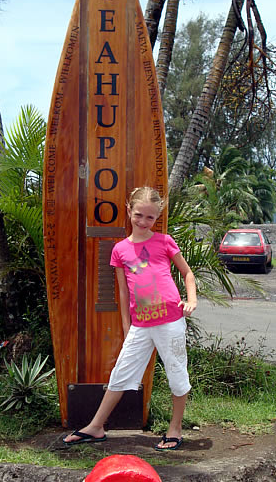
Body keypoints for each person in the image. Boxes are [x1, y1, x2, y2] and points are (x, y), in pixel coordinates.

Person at [63, 186, 197, 451]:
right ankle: (96, 426)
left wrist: (191, 300)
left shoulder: (165, 241)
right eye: (139, 215)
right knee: (121, 373)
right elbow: (123, 293)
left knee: (176, 373)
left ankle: (175, 428)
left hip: (170, 320)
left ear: (157, 218)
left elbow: (188, 274)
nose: (143, 222)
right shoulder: (120, 250)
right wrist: (127, 326)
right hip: (140, 325)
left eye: (150, 218)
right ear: (129, 211)